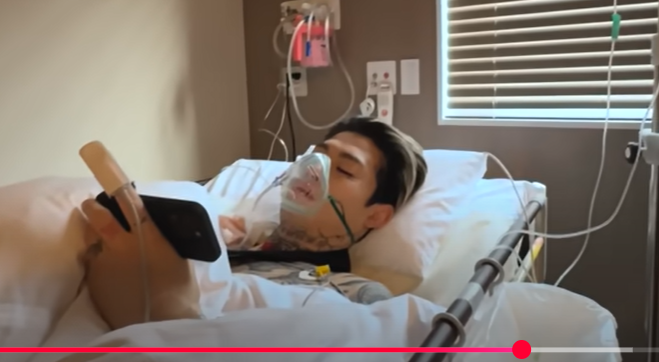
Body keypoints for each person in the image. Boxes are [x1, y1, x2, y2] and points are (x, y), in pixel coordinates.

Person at [80, 117, 428, 330]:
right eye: (317, 156)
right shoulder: (221, 238)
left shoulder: (356, 294)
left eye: (344, 170)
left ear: (376, 215)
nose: (313, 170)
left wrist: (172, 313)